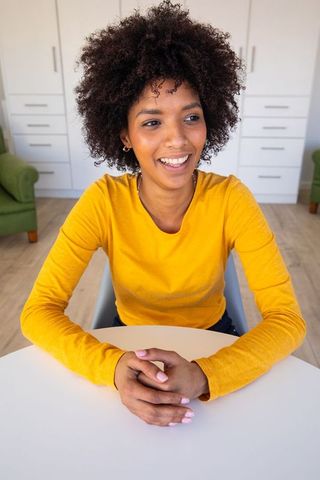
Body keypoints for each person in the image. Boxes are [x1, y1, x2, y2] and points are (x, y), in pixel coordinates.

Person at [21, 0, 306, 427]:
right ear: (124, 134)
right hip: (124, 338)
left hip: (212, 339)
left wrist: (207, 373)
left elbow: (287, 320)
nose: (178, 140)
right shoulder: (104, 201)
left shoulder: (231, 199)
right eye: (152, 122)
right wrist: (111, 366)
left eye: (191, 116)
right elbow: (38, 311)